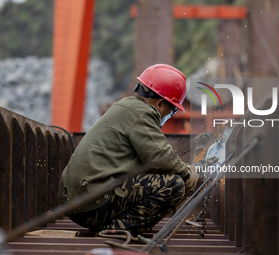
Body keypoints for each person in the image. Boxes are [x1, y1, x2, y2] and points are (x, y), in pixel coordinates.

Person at [58, 64, 198, 236]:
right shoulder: (143, 113)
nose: (169, 116)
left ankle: (112, 224)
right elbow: (161, 158)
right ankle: (114, 230)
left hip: (77, 201)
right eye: (172, 110)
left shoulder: (126, 106)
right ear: (161, 103)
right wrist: (188, 174)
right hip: (91, 205)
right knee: (174, 184)